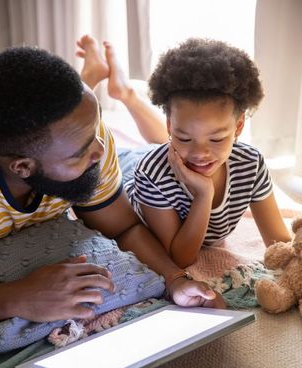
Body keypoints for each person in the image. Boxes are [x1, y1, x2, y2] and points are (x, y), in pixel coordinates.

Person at [0, 44, 225, 326]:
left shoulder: (93, 141)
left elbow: (124, 227)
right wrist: (18, 296)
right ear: (22, 167)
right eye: (80, 152)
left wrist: (176, 280)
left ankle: (94, 77)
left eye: (95, 131)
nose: (99, 149)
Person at [115, 37, 291, 268]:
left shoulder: (250, 163)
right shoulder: (151, 174)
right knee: (88, 147)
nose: (200, 153)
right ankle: (103, 89)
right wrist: (203, 195)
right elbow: (181, 258)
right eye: (184, 136)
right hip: (129, 170)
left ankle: (126, 95)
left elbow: (280, 244)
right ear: (169, 125)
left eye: (216, 138)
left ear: (238, 127)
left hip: (170, 155)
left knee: (169, 147)